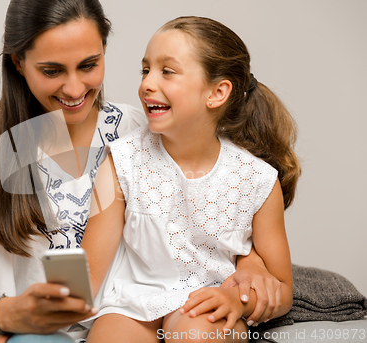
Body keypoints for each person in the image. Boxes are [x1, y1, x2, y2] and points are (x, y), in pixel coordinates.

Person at [0, 1, 286, 342]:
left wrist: (251, 265)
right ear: (18, 62)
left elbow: (210, 217)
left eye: (89, 65)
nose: (75, 88)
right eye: (52, 70)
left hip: (134, 323)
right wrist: (8, 315)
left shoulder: (142, 129)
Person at [81, 16, 301, 342]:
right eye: (146, 70)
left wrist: (237, 301)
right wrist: (32, 315)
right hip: (133, 303)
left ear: (217, 93)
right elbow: (88, 273)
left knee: (197, 334)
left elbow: (281, 290)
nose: (147, 83)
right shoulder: (123, 161)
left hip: (207, 300)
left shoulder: (257, 181)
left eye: (167, 71)